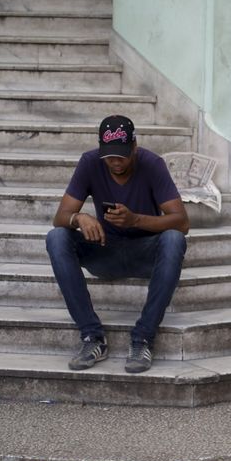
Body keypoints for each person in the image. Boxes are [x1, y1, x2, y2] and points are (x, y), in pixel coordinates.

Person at [46, 115, 189, 374]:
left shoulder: (152, 164)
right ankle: (92, 338)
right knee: (57, 237)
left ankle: (143, 338)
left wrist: (135, 219)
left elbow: (182, 222)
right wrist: (79, 217)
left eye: (122, 154)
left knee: (174, 238)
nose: (115, 161)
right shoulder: (90, 163)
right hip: (106, 251)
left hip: (145, 252)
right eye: (109, 155)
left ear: (134, 146)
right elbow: (59, 217)